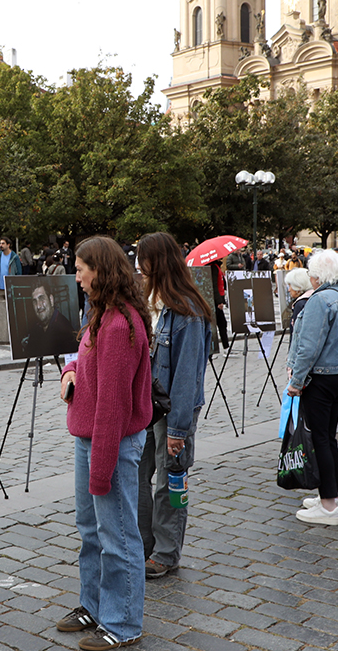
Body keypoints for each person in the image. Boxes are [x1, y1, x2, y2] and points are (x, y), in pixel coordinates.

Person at [56, 236, 152, 650]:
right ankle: (93, 605)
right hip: (91, 439)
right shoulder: (102, 315)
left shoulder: (119, 325)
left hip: (109, 442)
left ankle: (123, 622)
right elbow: (82, 357)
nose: (76, 276)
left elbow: (113, 407)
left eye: (81, 269)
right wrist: (69, 371)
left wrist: (100, 470)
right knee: (91, 530)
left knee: (118, 536)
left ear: (102, 271)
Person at [135, 232, 212, 580]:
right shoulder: (150, 302)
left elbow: (187, 376)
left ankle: (166, 552)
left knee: (170, 482)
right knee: (137, 475)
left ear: (158, 263)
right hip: (146, 406)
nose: (138, 266)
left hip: (173, 412)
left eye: (143, 260)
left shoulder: (187, 311)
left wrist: (179, 430)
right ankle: (143, 545)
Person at [286, 249, 338, 525]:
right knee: (328, 437)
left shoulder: (320, 300)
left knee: (320, 438)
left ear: (316, 275)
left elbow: (308, 347)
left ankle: (328, 505)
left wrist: (296, 382)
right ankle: (333, 496)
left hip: (320, 376)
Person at [19, 281, 78, 359]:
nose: (38, 306)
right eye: (34, 302)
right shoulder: (35, 329)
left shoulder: (64, 329)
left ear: (51, 300)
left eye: (41, 298)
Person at [284, 268, 313, 333]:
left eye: (290, 286)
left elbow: (297, 332)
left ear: (298, 286)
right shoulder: (314, 297)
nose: (289, 290)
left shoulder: (300, 303)